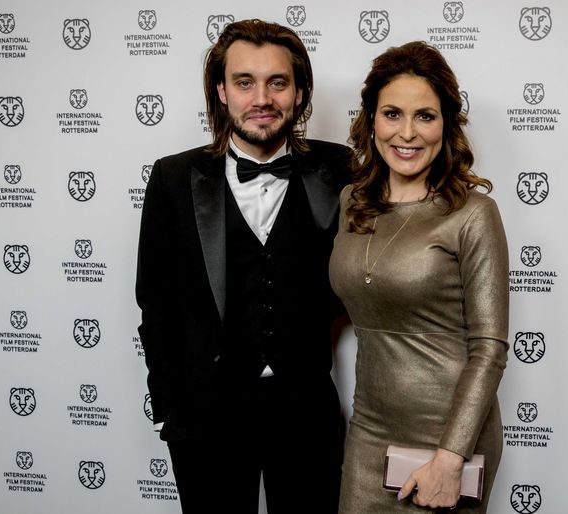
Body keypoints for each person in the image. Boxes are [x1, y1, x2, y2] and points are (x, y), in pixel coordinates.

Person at [135, 19, 350, 514]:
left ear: (300, 92)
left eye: (278, 82)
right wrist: (169, 408)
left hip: (306, 412)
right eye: (245, 82)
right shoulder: (173, 177)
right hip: (204, 415)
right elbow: (155, 302)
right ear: (221, 91)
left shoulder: (339, 169)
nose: (262, 98)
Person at [329, 41, 509, 513]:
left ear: (446, 124)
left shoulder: (473, 213)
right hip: (368, 430)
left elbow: (489, 348)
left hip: (449, 438)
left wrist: (450, 459)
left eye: (425, 116)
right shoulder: (350, 202)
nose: (407, 133)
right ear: (371, 120)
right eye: (392, 114)